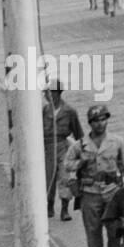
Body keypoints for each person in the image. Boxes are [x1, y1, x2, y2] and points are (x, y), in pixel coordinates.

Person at [63, 105, 124, 247]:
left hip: (112, 190)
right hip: (90, 191)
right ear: (90, 124)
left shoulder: (117, 142)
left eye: (103, 119)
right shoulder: (81, 145)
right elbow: (67, 164)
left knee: (115, 228)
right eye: (96, 121)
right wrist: (81, 162)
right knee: (93, 229)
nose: (100, 124)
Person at [42, 83, 83, 222]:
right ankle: (49, 206)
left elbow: (79, 134)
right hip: (47, 148)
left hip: (63, 147)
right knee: (48, 178)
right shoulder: (44, 111)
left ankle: (65, 209)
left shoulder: (69, 111)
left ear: (57, 93)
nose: (46, 96)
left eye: (48, 93)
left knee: (64, 177)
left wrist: (82, 152)